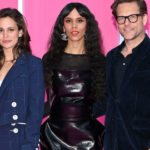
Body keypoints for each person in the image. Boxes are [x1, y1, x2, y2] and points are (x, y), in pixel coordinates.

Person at [40, 2, 106, 150]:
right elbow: (48, 102)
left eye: (79, 20)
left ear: (87, 25)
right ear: (63, 26)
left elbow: (104, 101)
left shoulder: (99, 61)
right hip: (54, 137)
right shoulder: (49, 59)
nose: (74, 26)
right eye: (69, 21)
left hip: (88, 137)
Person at [105, 0, 150, 149]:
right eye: (121, 18)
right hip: (112, 143)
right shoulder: (111, 57)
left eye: (132, 17)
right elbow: (106, 100)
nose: (126, 23)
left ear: (144, 18)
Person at [0, 8, 45, 150]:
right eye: (0, 30)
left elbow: (35, 111)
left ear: (20, 32)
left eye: (10, 29)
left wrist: (29, 145)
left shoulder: (32, 64)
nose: (5, 35)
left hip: (16, 141)